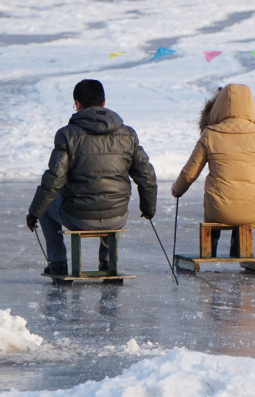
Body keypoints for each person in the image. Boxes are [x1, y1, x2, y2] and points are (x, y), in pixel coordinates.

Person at [26, 79, 158, 276]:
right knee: (112, 199)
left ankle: (58, 262)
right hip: (117, 217)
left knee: (46, 205)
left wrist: (34, 212)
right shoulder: (128, 134)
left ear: (77, 104)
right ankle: (106, 262)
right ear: (104, 102)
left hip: (77, 217)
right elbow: (146, 175)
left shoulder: (67, 134)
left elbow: (54, 178)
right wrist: (148, 209)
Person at [172, 84, 255, 256]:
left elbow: (190, 172)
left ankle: (210, 248)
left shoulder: (210, 134)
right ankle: (239, 247)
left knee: (216, 196)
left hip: (219, 210)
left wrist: (178, 190)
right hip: (254, 210)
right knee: (244, 202)